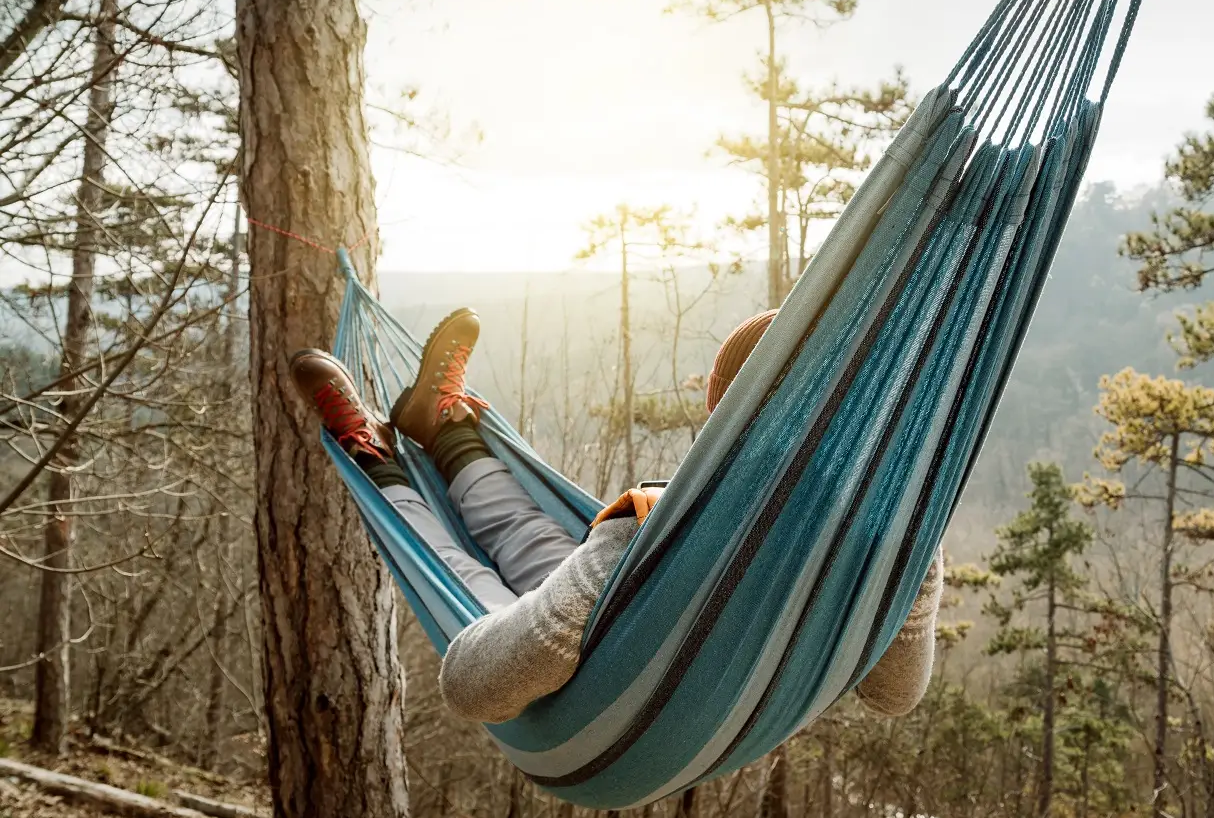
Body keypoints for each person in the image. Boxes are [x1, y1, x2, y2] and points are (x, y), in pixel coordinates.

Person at [291, 307, 944, 725]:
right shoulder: (883, 545)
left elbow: (471, 686)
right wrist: (920, 557)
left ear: (722, 415)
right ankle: (441, 430)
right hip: (659, 672)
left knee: (464, 579)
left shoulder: (659, 527)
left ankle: (375, 456)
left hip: (588, 697)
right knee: (534, 534)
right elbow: (894, 694)